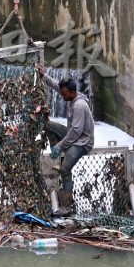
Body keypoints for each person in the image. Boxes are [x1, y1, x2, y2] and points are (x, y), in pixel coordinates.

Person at [36, 64, 94, 217]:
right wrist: (45, 75)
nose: (62, 97)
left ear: (73, 92)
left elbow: (75, 132)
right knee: (48, 125)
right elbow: (57, 86)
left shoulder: (80, 106)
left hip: (82, 142)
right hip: (72, 136)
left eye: (64, 94)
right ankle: (59, 154)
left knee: (65, 170)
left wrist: (60, 145)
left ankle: (67, 206)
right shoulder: (71, 95)